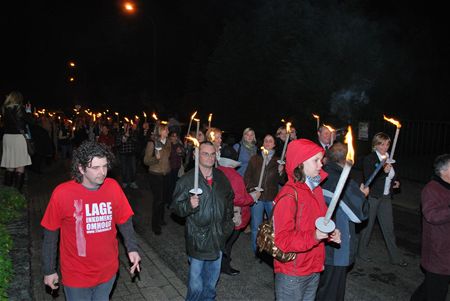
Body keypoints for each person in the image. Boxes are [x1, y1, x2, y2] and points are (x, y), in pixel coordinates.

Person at [41, 141, 141, 300]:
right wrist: (49, 269)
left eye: (105, 166)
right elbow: (50, 236)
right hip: (76, 274)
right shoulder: (62, 193)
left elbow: (124, 221)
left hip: (108, 271)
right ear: (81, 168)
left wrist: (132, 248)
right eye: (95, 168)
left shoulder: (113, 187)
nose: (102, 172)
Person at [272, 139, 341, 301]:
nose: (320, 165)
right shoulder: (288, 196)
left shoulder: (316, 190)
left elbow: (320, 223)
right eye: (315, 160)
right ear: (300, 164)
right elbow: (282, 240)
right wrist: (314, 236)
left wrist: (331, 233)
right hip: (293, 273)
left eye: (321, 160)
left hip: (314, 267)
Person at [171, 141, 234, 301]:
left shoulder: (221, 178)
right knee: (196, 286)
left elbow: (229, 199)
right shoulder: (187, 180)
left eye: (212, 154)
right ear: (196, 155)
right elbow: (175, 207)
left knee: (211, 284)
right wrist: (189, 205)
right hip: (198, 239)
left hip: (218, 238)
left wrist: (228, 224)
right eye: (205, 153)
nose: (210, 157)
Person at [316, 142, 369, 301]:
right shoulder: (343, 182)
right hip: (337, 247)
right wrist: (362, 196)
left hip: (319, 241)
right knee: (332, 292)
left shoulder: (320, 173)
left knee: (320, 286)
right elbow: (360, 214)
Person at [357, 132, 407, 266]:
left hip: (385, 198)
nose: (385, 147)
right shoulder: (370, 159)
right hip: (373, 196)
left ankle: (395, 257)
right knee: (367, 227)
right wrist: (382, 172)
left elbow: (394, 175)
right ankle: (361, 253)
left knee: (388, 228)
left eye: (387, 144)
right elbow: (369, 179)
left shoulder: (389, 157)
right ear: (375, 145)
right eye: (382, 144)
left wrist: (396, 182)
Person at [411, 154, 450, 301]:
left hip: (446, 250)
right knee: (437, 291)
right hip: (438, 251)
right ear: (444, 171)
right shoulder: (432, 189)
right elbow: (431, 215)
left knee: (430, 287)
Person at [217, 146, 258, 276]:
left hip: (220, 213)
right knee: (228, 242)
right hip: (232, 216)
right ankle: (224, 265)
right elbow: (240, 199)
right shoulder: (235, 177)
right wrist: (253, 197)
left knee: (222, 240)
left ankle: (220, 263)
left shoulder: (217, 171)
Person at [244, 134, 284, 254]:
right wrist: (253, 190)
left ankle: (270, 249)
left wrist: (281, 172)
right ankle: (256, 250)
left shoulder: (278, 161)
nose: (267, 143)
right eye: (266, 141)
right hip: (258, 197)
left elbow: (282, 181)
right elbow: (247, 177)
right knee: (256, 225)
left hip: (271, 196)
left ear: (274, 145)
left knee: (273, 226)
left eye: (270, 141)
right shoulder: (255, 159)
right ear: (263, 144)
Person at [1, 91, 33, 192]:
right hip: (18, 138)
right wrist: (28, 111)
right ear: (19, 99)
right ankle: (17, 193)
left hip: (7, 138)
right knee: (20, 165)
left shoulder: (4, 109)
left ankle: (7, 193)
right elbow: (30, 122)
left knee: (9, 165)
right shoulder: (20, 108)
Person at [144, 123, 171, 235]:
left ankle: (161, 218)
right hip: (155, 174)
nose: (168, 132)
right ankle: (155, 225)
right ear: (160, 131)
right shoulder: (152, 143)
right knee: (158, 200)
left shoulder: (168, 141)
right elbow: (146, 161)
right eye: (166, 130)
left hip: (166, 173)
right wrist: (156, 158)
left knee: (163, 199)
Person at [116, 122, 139, 189]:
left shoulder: (133, 133)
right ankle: (125, 182)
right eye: (125, 125)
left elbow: (136, 141)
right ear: (123, 126)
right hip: (123, 153)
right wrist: (124, 137)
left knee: (133, 169)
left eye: (128, 126)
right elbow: (118, 143)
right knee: (124, 169)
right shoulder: (120, 133)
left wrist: (130, 136)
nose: (127, 127)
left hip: (131, 153)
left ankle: (133, 182)